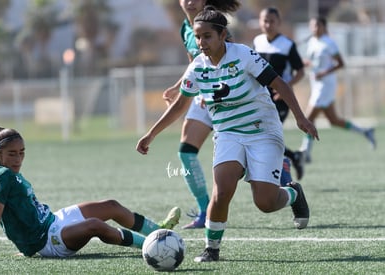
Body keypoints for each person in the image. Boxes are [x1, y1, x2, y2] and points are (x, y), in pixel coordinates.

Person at [137, 6, 319, 262]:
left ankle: (293, 193)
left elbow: (278, 83)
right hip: (228, 133)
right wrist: (150, 135)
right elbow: (180, 104)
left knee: (265, 203)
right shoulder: (197, 67)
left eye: (207, 36)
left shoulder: (243, 55)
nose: (201, 42)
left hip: (262, 131)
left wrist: (301, 117)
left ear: (223, 36)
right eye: (198, 37)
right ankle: (212, 249)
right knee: (222, 190)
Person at [0, 127, 181, 262]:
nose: (19, 158)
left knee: (111, 205)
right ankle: (153, 245)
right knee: (94, 225)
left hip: (54, 220)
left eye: (22, 152)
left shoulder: (9, 172)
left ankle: (159, 230)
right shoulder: (1, 177)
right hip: (47, 241)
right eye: (12, 154)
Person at [162, 0, 241, 229]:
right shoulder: (186, 29)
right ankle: (205, 209)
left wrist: (216, 87)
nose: (189, 1)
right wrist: (178, 86)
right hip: (202, 97)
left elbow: (232, 59)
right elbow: (195, 64)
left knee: (249, 164)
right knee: (186, 152)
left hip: (226, 96)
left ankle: (285, 180)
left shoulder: (214, 24)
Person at [300, 16, 376, 162]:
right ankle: (366, 132)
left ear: (323, 26)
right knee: (333, 120)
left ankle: (305, 153)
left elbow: (341, 63)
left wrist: (324, 72)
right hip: (315, 84)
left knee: (308, 118)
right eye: (312, 26)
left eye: (316, 25)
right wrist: (305, 63)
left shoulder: (329, 43)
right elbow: (314, 61)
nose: (313, 28)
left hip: (325, 85)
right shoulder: (312, 41)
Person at [253, 7, 306, 180]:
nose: (268, 24)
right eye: (265, 21)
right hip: (260, 98)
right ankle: (293, 158)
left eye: (272, 21)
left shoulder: (287, 45)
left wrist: (285, 88)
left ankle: (281, 174)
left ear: (279, 23)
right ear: (260, 22)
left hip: (280, 99)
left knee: (269, 135)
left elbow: (300, 72)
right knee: (262, 135)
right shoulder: (257, 41)